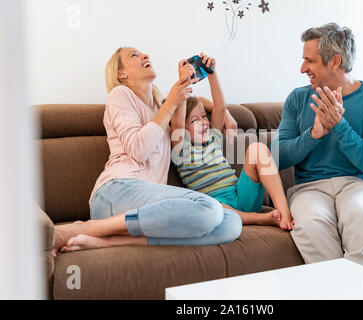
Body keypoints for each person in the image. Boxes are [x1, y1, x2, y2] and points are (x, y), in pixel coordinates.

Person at [52, 47, 242, 254]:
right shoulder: (121, 95)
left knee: (231, 222)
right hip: (115, 192)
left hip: (153, 207)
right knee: (211, 208)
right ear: (121, 74)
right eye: (135, 55)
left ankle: (110, 241)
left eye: (144, 53)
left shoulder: (161, 108)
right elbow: (139, 150)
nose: (145, 55)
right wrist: (171, 102)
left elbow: (192, 104)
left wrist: (217, 106)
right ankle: (89, 228)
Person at [271, 23, 363, 273]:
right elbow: (276, 157)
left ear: (334, 61)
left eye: (310, 61)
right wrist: (314, 134)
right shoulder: (297, 99)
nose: (302, 68)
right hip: (310, 189)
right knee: (310, 224)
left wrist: (339, 126)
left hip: (360, 185)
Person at [171, 54, 294, 230]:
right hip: (217, 204)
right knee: (210, 207)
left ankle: (283, 211)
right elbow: (176, 122)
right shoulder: (181, 149)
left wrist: (212, 75)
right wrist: (184, 81)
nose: (204, 122)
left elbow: (220, 107)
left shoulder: (213, 136)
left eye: (204, 116)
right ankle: (258, 219)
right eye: (194, 121)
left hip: (241, 194)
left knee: (257, 148)